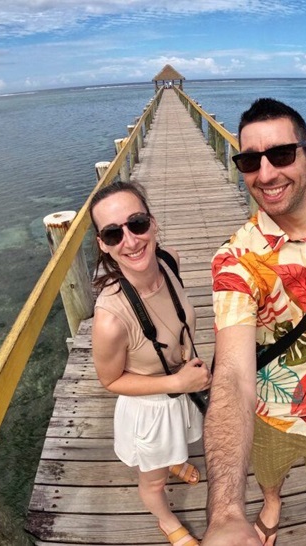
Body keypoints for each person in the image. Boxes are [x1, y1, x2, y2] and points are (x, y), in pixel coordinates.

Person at [203, 98, 306, 546]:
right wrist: (224, 513)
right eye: (249, 160)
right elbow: (234, 376)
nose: (265, 174)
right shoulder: (236, 261)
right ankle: (271, 504)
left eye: (280, 155)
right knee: (269, 477)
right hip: (273, 413)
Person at [90, 181, 212, 546]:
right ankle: (166, 520)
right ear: (103, 245)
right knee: (152, 482)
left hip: (180, 387)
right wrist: (176, 384)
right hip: (152, 407)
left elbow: (176, 319)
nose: (129, 240)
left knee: (179, 447)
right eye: (113, 233)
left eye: (137, 223)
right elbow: (110, 381)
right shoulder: (110, 319)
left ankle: (173, 460)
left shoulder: (169, 260)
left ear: (153, 223)